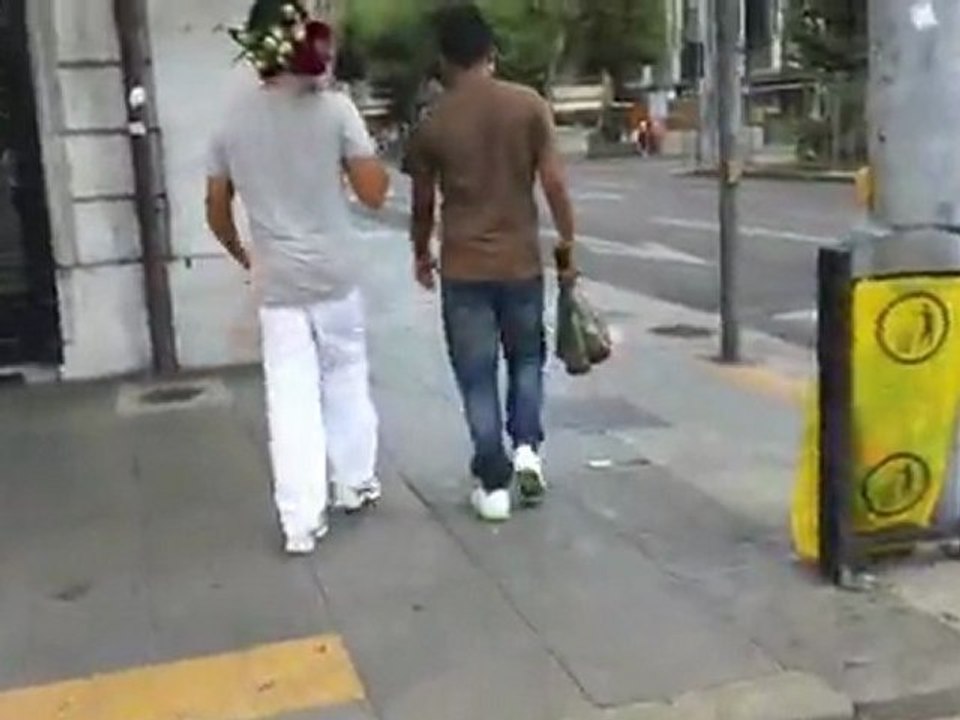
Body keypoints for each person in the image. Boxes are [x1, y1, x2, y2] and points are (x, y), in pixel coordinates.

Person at [205, 0, 389, 555]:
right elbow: (375, 194)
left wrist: (246, 255)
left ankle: (299, 520)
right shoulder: (335, 111)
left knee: (288, 399)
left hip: (277, 285)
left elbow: (215, 208)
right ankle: (354, 481)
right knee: (346, 378)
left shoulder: (231, 121)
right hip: (335, 276)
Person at [404, 4, 578, 522]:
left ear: (444, 61)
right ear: (491, 52)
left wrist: (420, 253)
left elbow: (422, 205)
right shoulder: (528, 106)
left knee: (477, 375)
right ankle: (527, 448)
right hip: (520, 264)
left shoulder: (434, 123)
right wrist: (568, 242)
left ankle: (493, 484)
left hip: (463, 269)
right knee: (527, 359)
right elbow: (554, 184)